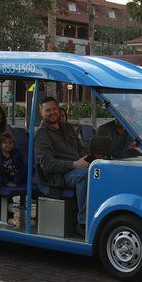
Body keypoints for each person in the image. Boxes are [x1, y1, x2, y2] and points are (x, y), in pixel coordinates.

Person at [33, 96, 90, 234]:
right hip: (59, 175)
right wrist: (75, 164)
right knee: (85, 175)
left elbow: (81, 149)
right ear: (41, 113)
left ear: (58, 110)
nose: (52, 112)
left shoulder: (68, 127)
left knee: (101, 172)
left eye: (54, 109)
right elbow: (47, 164)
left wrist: (93, 158)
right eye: (47, 110)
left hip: (77, 167)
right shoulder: (41, 134)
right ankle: (83, 222)